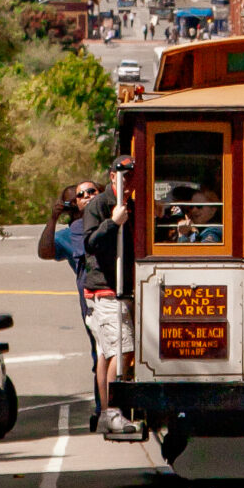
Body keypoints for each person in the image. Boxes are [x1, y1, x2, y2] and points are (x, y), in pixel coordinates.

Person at [37, 180, 103, 423]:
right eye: (79, 196)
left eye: (92, 192)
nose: (86, 197)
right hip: (92, 301)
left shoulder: (109, 221)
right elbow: (44, 252)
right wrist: (52, 220)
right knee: (100, 354)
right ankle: (103, 405)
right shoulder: (69, 234)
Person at [83, 155, 140, 435]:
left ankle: (107, 413)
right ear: (111, 175)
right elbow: (90, 243)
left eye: (131, 175)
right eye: (123, 174)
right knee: (122, 348)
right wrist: (113, 222)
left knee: (107, 353)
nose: (128, 180)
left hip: (124, 288)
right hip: (105, 290)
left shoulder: (135, 205)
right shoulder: (99, 205)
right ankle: (113, 411)